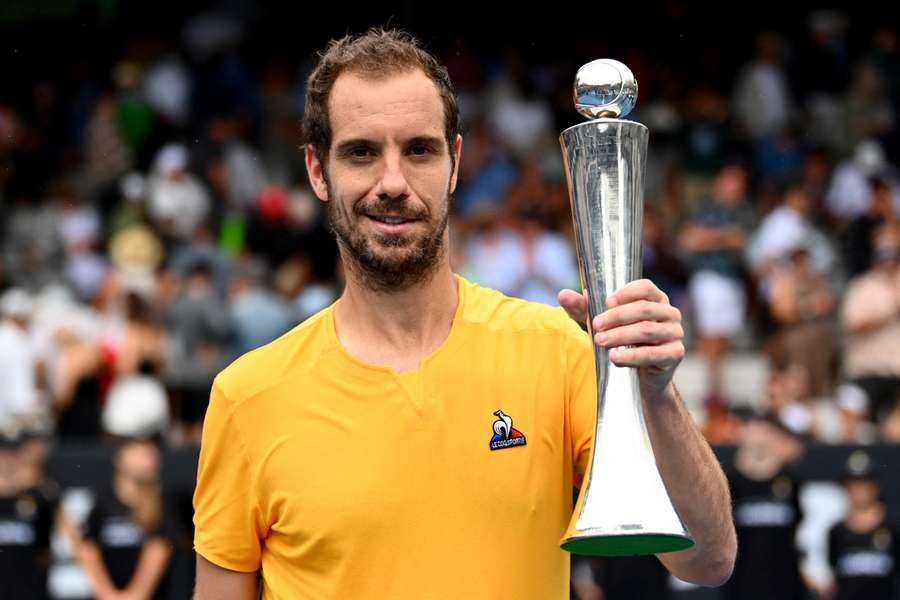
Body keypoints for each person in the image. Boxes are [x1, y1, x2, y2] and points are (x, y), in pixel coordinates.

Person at [192, 28, 736, 599]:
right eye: (361, 152)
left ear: (454, 162)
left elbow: (708, 560)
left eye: (419, 150)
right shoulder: (248, 397)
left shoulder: (556, 351)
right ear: (317, 171)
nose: (393, 183)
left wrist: (654, 395)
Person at [78, 438, 174, 599]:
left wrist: (135, 595)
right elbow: (88, 548)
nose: (150, 457)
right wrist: (107, 594)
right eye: (140, 451)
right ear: (120, 457)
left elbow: (159, 548)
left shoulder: (162, 501)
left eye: (151, 451)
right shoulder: (103, 500)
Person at [826, 450, 900, 600]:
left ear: (875, 487)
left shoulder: (893, 529)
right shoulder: (837, 531)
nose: (858, 491)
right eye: (852, 485)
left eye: (863, 484)